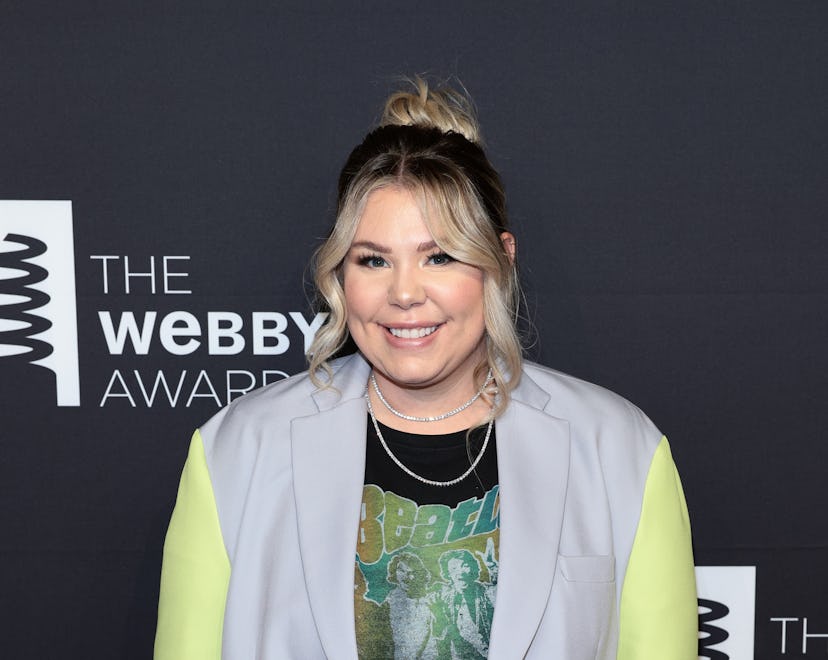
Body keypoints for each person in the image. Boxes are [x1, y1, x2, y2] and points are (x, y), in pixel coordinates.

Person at [154, 78, 697, 659]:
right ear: (341, 275)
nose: (404, 293)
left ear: (499, 261)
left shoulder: (620, 449)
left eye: (439, 256)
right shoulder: (237, 452)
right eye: (373, 260)